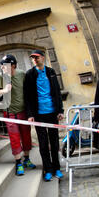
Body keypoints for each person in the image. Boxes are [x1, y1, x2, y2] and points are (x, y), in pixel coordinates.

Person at [24, 49, 64, 182]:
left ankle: (57, 168)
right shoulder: (30, 74)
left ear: (43, 58)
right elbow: (27, 97)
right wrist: (30, 114)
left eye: (37, 57)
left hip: (52, 112)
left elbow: (57, 92)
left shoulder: (51, 72)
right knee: (43, 143)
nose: (35, 60)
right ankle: (48, 169)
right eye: (33, 58)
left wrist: (60, 110)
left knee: (54, 142)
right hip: (38, 114)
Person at [0, 54, 36, 176]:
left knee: (26, 137)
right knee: (15, 138)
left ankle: (26, 159)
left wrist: (30, 112)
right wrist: (4, 91)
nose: (2, 67)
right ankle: (18, 162)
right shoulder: (0, 77)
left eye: (5, 65)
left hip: (23, 112)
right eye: (1, 65)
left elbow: (28, 92)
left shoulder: (22, 74)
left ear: (14, 66)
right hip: (9, 113)